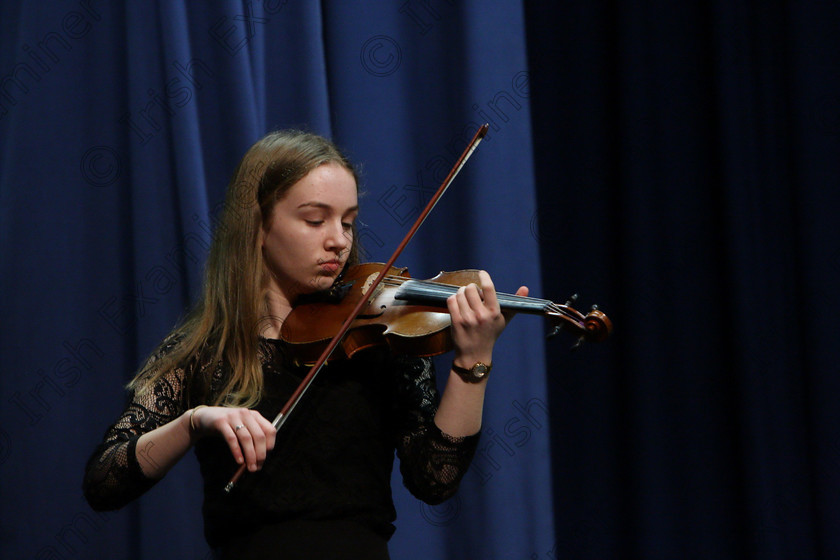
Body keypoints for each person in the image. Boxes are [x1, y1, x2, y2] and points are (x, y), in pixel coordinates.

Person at [83, 130, 529, 559]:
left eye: (348, 221)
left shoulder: (380, 338)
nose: (338, 239)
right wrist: (194, 421)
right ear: (258, 226)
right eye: (315, 220)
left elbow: (436, 478)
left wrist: (473, 358)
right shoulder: (206, 351)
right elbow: (105, 481)